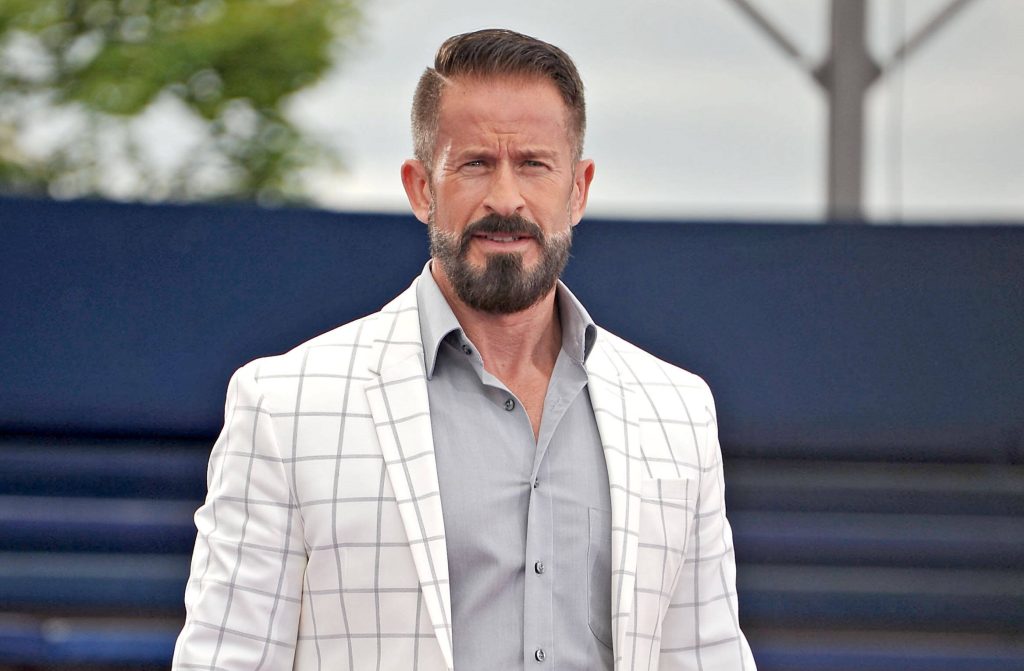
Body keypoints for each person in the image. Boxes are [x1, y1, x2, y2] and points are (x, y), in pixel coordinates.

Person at [173, 28, 755, 671]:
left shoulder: (677, 413)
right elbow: (225, 658)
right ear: (421, 187)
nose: (505, 198)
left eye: (534, 164)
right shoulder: (285, 407)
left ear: (579, 189)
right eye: (475, 163)